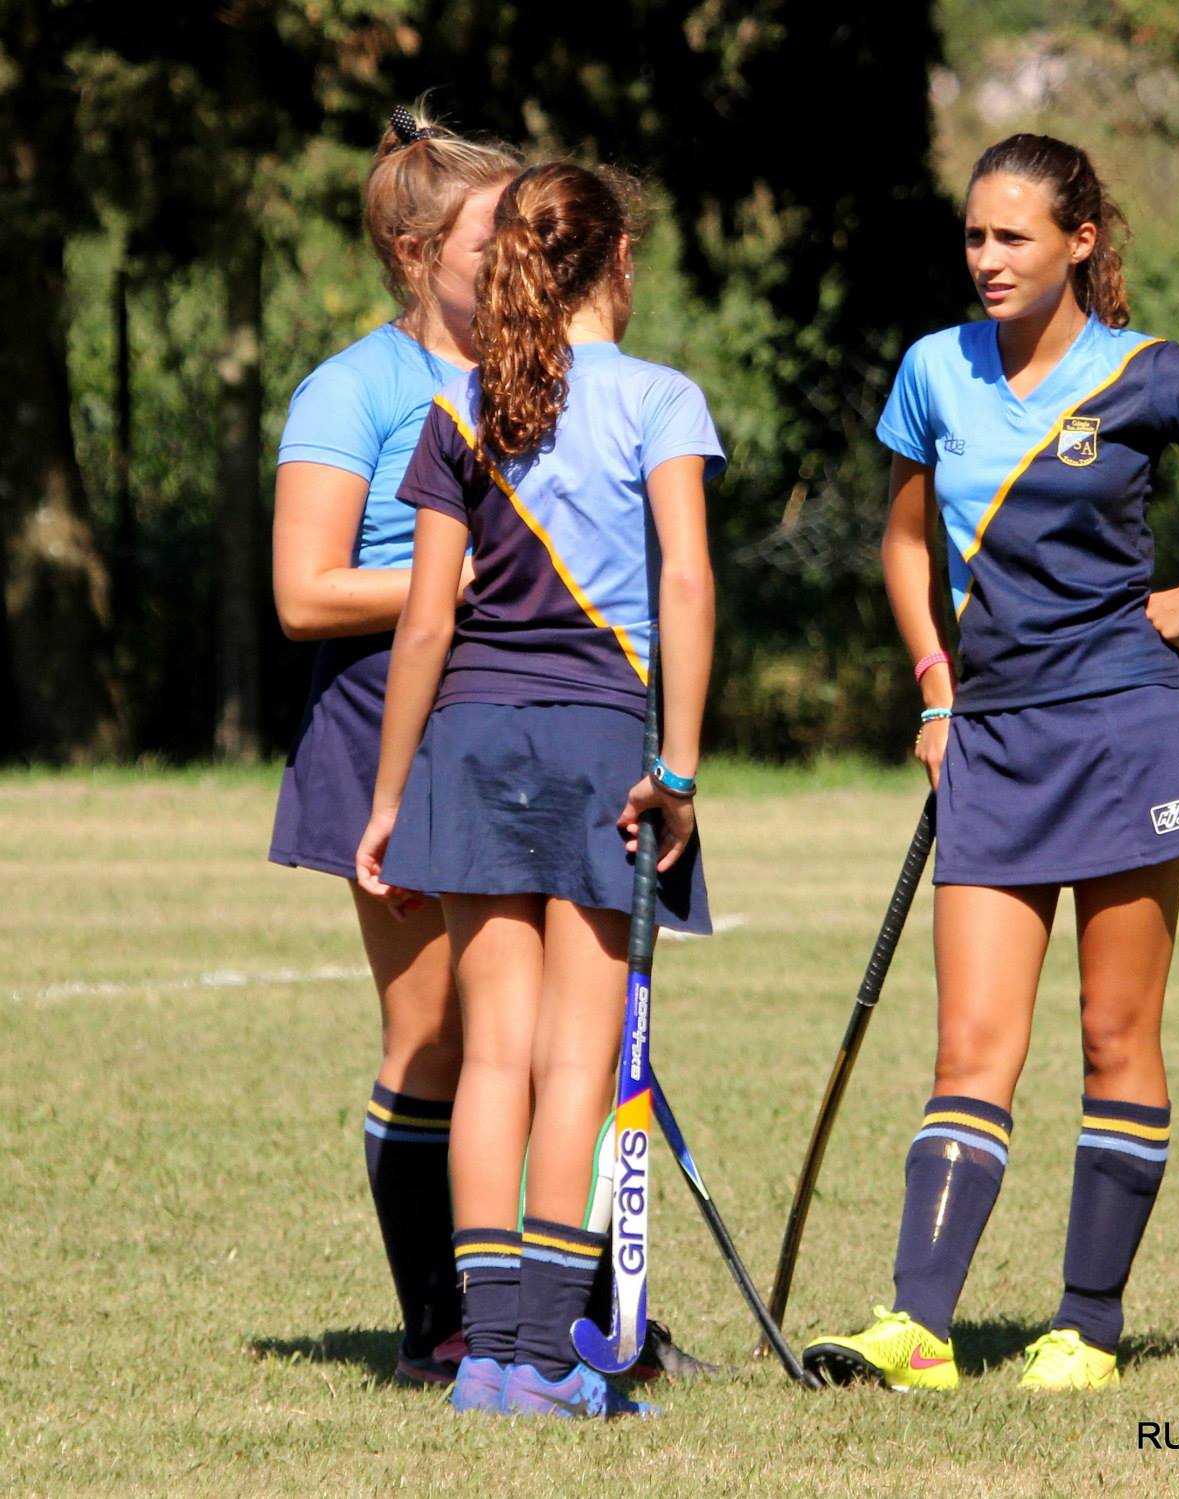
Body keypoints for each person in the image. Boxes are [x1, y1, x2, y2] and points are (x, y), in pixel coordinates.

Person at [802, 133, 1179, 1393]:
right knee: (970, 1045)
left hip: (1125, 730)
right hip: (993, 740)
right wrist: (933, 684)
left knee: (1115, 1035)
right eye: (973, 236)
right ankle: (917, 1327)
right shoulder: (930, 373)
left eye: (1012, 237)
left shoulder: (1147, 375)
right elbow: (906, 543)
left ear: (1078, 244)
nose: (987, 259)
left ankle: (1088, 1324)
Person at [355, 160, 723, 1419]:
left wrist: (389, 792)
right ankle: (553, 1356)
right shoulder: (659, 399)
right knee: (575, 1057)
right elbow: (684, 586)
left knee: (492, 1056)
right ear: (619, 262)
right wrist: (675, 766)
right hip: (598, 744)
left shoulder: (458, 402)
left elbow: (421, 621)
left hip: (465, 741)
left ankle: (490, 1362)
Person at [269, 104, 518, 1386]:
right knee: (435, 1037)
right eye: (498, 238)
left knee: (540, 1033)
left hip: (523, 717)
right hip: (387, 721)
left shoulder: (539, 380)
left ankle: (578, 1316)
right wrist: (461, 573)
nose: (526, 260)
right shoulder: (353, 388)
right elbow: (306, 592)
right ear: (419, 250)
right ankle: (445, 1322)